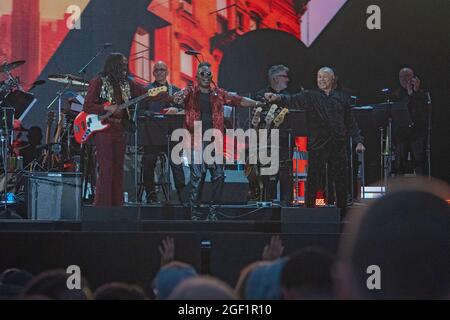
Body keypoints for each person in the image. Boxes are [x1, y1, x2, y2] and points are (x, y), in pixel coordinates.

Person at [174, 62, 264, 221]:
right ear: (197, 76)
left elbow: (238, 100)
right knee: (197, 177)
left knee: (219, 176)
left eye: (208, 74)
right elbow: (179, 97)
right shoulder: (190, 92)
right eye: (202, 74)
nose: (205, 77)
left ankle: (213, 211)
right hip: (195, 140)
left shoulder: (218, 94)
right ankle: (194, 213)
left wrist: (257, 103)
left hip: (214, 140)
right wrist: (178, 97)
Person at [265, 67, 365, 209]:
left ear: (333, 79)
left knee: (340, 180)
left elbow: (351, 122)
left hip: (338, 145)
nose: (321, 80)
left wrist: (359, 141)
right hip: (318, 144)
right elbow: (292, 99)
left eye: (325, 77)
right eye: (319, 77)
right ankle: (309, 209)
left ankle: (342, 210)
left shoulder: (342, 98)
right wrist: (278, 97)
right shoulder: (310, 96)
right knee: (313, 178)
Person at [84, 53, 150, 207]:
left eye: (126, 64)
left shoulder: (127, 83)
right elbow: (87, 106)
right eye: (122, 64)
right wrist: (106, 107)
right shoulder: (98, 81)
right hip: (104, 130)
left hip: (120, 129)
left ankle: (117, 205)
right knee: (106, 168)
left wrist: (168, 97)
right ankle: (102, 206)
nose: (125, 67)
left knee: (118, 169)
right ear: (114, 65)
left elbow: (145, 94)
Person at [142, 61, 186, 203]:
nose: (160, 72)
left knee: (176, 163)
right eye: (157, 70)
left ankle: (182, 195)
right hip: (152, 136)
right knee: (148, 160)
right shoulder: (146, 90)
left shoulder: (176, 91)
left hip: (171, 135)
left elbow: (186, 110)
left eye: (162, 69)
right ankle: (150, 194)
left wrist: (177, 110)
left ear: (167, 72)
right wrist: (149, 113)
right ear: (153, 73)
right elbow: (139, 111)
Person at [254, 65, 292, 203]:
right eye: (284, 76)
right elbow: (257, 120)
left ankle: (286, 206)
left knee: (286, 175)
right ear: (275, 78)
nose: (288, 80)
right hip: (266, 142)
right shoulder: (260, 95)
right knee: (268, 175)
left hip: (285, 140)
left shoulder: (289, 97)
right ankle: (266, 204)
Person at [391, 67, 429, 175]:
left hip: (417, 134)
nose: (404, 79)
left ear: (413, 78)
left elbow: (421, 112)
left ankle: (422, 190)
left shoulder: (421, 94)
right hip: (401, 134)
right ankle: (400, 190)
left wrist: (413, 93)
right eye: (401, 76)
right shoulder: (396, 94)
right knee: (399, 165)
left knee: (419, 163)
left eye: (407, 76)